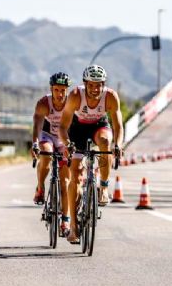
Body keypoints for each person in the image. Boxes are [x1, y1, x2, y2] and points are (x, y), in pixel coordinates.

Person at [58, 64, 124, 243]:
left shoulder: (110, 96)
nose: (95, 89)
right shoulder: (74, 96)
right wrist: (67, 144)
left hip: (99, 126)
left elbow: (118, 126)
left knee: (105, 143)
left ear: (104, 84)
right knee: (76, 175)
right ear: (85, 84)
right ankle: (73, 226)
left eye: (99, 85)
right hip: (77, 130)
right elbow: (63, 127)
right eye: (91, 85)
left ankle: (103, 187)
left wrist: (117, 145)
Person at [31, 72, 72, 236]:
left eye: (63, 90)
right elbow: (37, 124)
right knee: (46, 155)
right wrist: (35, 143)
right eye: (57, 90)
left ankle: (65, 219)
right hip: (47, 136)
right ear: (51, 89)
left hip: (64, 140)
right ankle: (40, 188)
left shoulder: (72, 102)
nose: (60, 94)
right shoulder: (44, 103)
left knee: (66, 181)